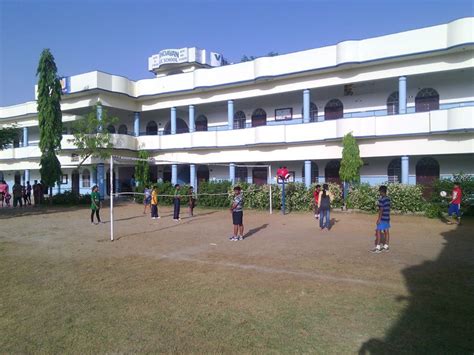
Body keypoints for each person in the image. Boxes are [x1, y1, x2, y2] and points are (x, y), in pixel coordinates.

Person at [371, 185, 391, 253]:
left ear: (382, 191)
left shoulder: (381, 200)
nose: (379, 192)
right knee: (386, 232)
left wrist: (379, 219)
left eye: (379, 191)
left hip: (382, 218)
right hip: (387, 218)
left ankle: (378, 247)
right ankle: (386, 246)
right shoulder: (388, 199)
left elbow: (381, 210)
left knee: (378, 231)